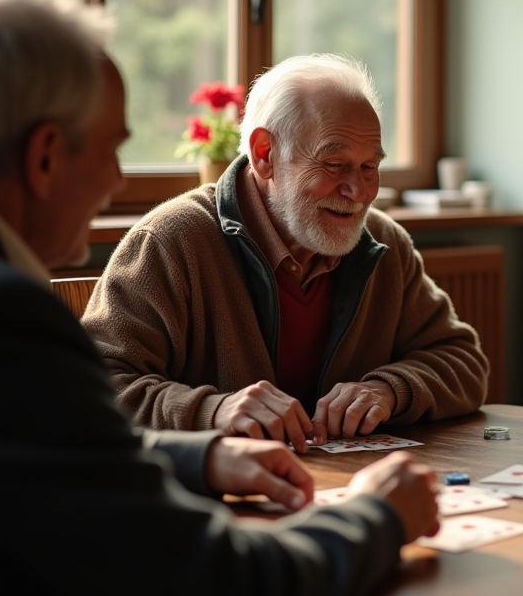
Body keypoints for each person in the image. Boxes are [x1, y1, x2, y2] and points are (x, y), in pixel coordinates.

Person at [0, 0, 440, 596]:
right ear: (45, 156)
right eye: (112, 148)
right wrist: (376, 518)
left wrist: (202, 457)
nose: (120, 181)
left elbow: (45, 449)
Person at [82, 53, 487, 451]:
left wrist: (389, 391)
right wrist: (214, 410)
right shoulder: (172, 241)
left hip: (346, 491)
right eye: (333, 163)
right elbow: (89, 389)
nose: (359, 192)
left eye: (369, 167)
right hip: (215, 501)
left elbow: (464, 364)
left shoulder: (383, 243)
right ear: (264, 154)